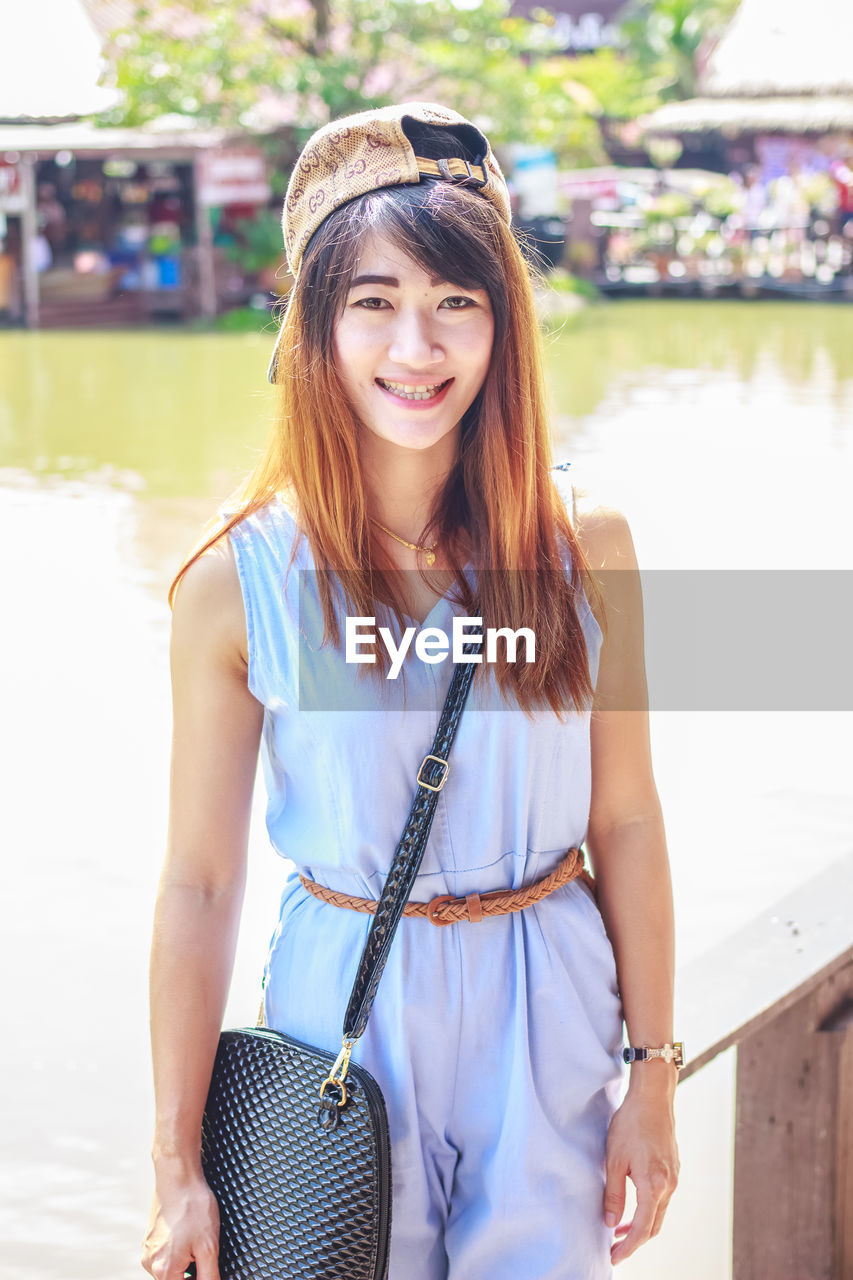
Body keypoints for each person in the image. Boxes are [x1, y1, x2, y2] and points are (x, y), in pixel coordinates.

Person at [141, 101, 680, 1280]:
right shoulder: (238, 584)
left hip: (547, 998)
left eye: (455, 304)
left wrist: (652, 1070)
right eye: (373, 303)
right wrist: (178, 1163)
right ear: (316, 326)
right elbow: (200, 879)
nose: (416, 350)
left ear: (504, 327)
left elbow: (627, 819)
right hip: (344, 1012)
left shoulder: (586, 542)